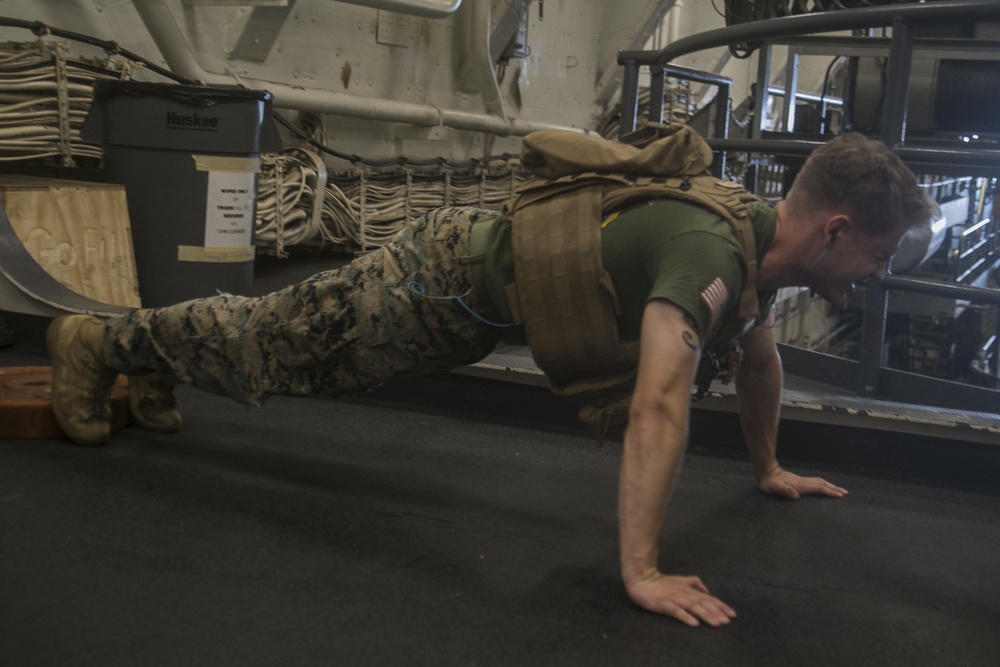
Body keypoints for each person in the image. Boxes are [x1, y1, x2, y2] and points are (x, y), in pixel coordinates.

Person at [46, 131, 933, 628]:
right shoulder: (711, 250)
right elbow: (659, 401)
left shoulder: (754, 241)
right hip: (434, 284)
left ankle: (146, 365)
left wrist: (769, 468)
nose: (877, 274)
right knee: (269, 346)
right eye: (878, 254)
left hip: (468, 300)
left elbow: (758, 356)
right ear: (833, 231)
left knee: (269, 350)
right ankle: (95, 343)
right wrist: (642, 571)